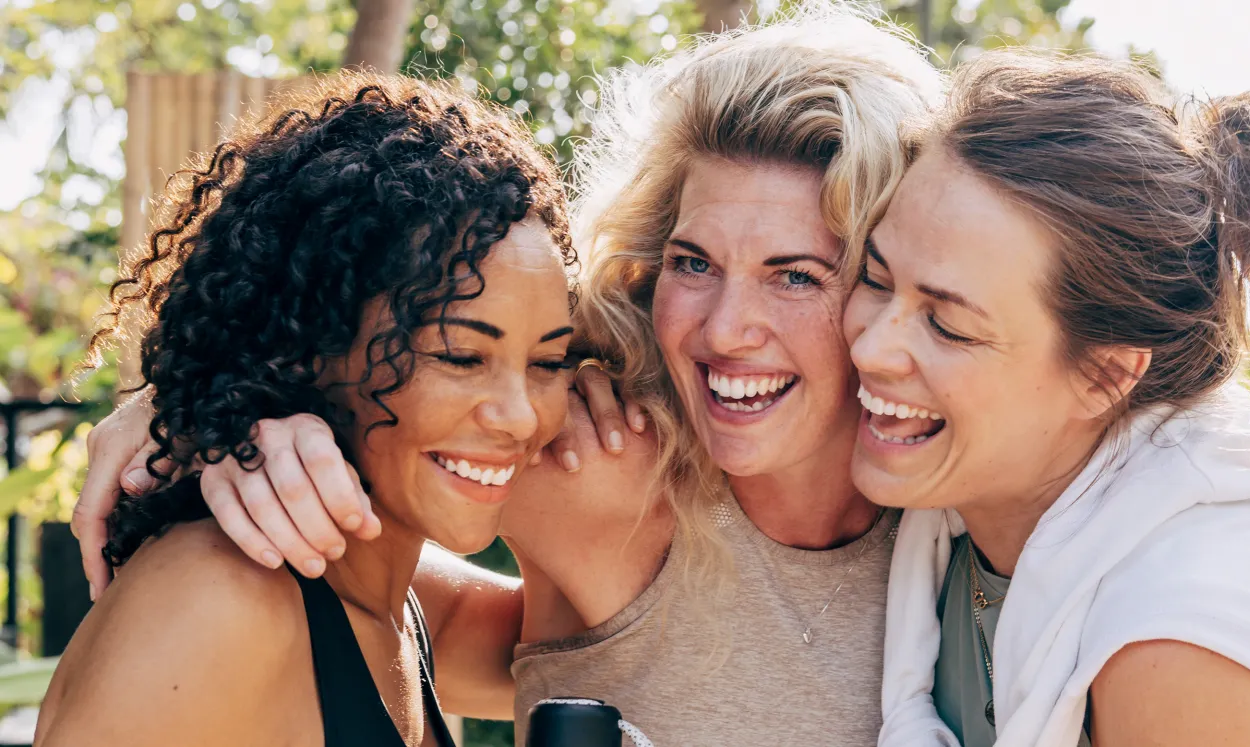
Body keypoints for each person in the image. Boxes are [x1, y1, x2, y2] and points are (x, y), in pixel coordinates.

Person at [69, 6, 943, 746]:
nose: (724, 329)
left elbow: (446, 629)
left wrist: (208, 413)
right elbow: (396, 363)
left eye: (797, 274)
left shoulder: (966, 494)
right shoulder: (601, 458)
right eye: (692, 261)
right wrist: (208, 417)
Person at [862, 51, 1250, 746]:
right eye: (875, 278)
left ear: (1104, 375)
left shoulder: (1184, 637)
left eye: (947, 324)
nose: (868, 347)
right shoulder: (956, 536)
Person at [38, 73, 577, 745]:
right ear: (311, 344)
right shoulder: (216, 602)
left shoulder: (390, 600)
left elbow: (579, 646)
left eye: (550, 361)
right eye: (461, 356)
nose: (522, 416)